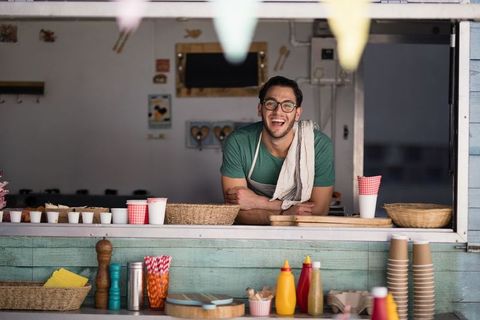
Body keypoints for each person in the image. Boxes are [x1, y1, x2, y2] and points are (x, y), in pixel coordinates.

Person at [220, 76, 335, 225]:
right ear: (260, 109)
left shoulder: (318, 145)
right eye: (270, 103)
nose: (278, 111)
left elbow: (318, 211)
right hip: (250, 236)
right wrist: (286, 213)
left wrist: (257, 202)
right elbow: (235, 212)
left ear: (297, 113)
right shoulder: (238, 143)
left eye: (287, 105)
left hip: (303, 236)